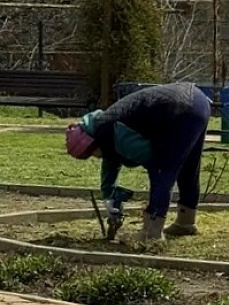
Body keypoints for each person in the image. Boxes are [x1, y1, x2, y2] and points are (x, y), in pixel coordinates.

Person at [65, 82, 212, 241]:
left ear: (91, 142)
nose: (95, 157)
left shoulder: (111, 130)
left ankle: (151, 232)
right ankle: (186, 221)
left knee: (162, 168)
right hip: (197, 100)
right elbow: (111, 161)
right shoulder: (103, 125)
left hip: (180, 110)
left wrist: (149, 170)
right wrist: (109, 195)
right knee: (189, 164)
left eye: (91, 153)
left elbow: (149, 156)